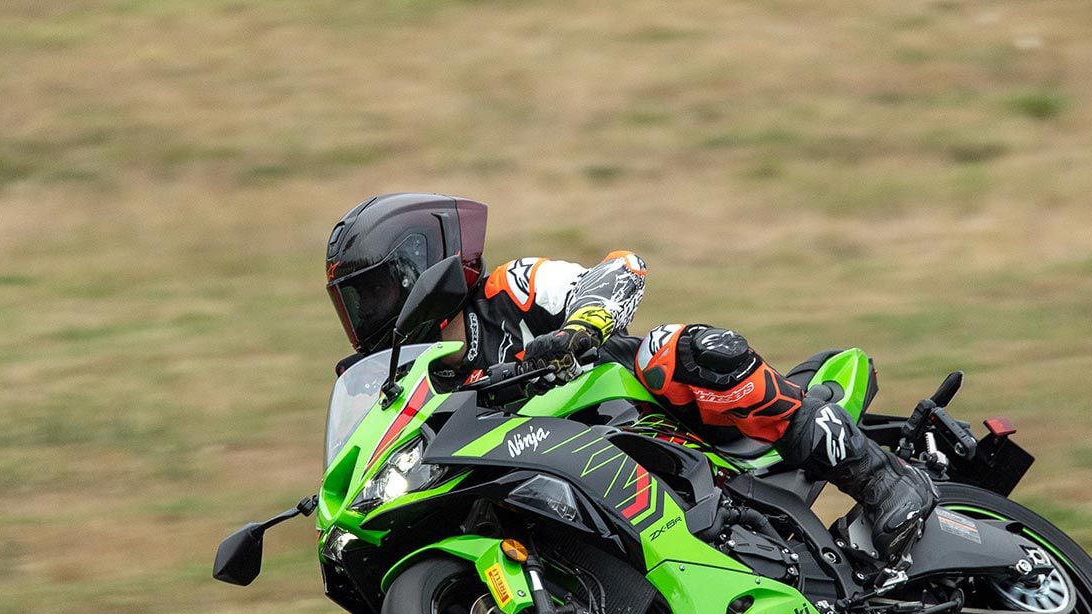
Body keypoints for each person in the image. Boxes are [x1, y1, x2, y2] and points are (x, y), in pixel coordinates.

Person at [324, 192, 936, 557]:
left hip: (643, 420)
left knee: (674, 349)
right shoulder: (412, 376)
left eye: (372, 291)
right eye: (355, 301)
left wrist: (581, 329)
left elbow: (620, 268)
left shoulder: (506, 287)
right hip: (553, 477)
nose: (366, 312)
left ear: (417, 266)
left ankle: (879, 478)